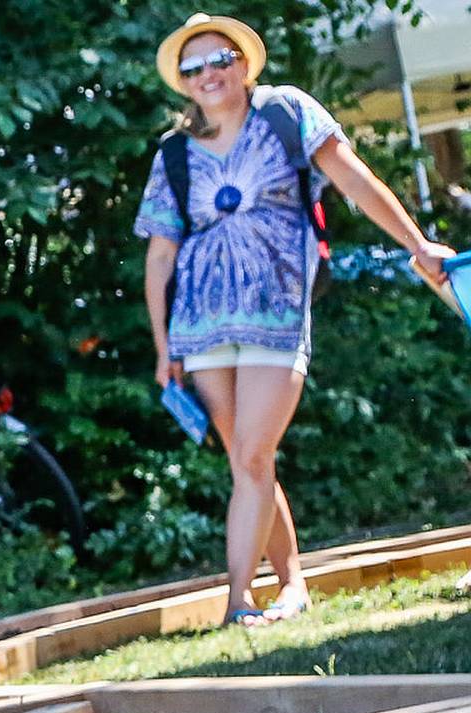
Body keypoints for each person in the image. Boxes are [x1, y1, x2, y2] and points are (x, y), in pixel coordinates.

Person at [138, 12, 455, 627]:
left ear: (244, 63)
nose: (209, 73)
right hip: (200, 329)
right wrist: (162, 347)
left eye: (221, 58)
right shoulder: (173, 154)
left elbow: (354, 179)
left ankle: (237, 603)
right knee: (247, 463)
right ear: (181, 81)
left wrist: (419, 245)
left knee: (254, 456)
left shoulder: (286, 112)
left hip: (277, 315)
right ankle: (291, 584)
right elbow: (159, 257)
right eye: (193, 66)